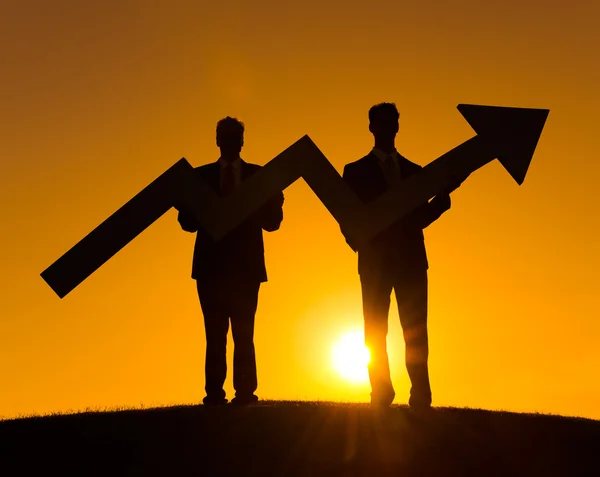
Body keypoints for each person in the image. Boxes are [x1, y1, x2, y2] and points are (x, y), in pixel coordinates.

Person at [341, 102, 462, 410]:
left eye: (391, 122)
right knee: (375, 331)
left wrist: (440, 204)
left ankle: (421, 393)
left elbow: (417, 217)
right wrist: (357, 242)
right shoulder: (354, 172)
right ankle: (380, 391)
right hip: (375, 263)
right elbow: (347, 217)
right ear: (371, 127)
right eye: (381, 123)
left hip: (410, 261)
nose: (387, 128)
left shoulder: (414, 172)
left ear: (397, 127)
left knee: (416, 329)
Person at [176, 116, 284, 406]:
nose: (230, 142)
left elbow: (273, 223)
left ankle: (246, 393)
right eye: (224, 136)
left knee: (244, 333)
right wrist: (188, 203)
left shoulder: (260, 177)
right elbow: (186, 223)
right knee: (215, 334)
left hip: (245, 268)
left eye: (235, 137)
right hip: (211, 268)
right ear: (217, 140)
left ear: (242, 141)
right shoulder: (199, 178)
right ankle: (214, 394)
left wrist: (272, 199)